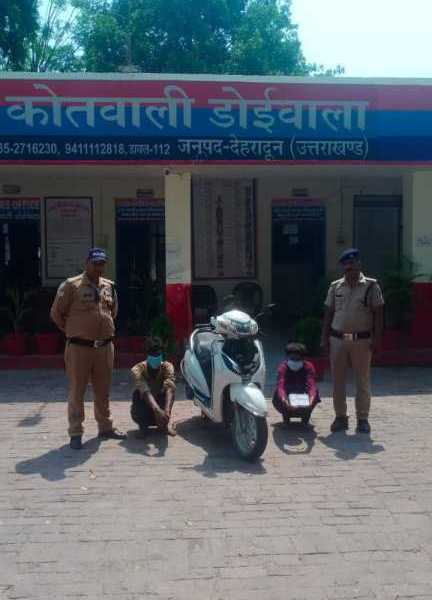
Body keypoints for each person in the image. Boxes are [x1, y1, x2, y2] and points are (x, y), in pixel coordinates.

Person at [50, 248, 126, 449]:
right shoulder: (71, 285)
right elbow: (56, 314)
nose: (98, 267)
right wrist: (73, 330)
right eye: (95, 263)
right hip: (79, 348)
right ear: (87, 263)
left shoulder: (109, 286)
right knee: (77, 390)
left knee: (103, 390)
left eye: (102, 263)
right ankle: (76, 432)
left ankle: (105, 427)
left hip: (104, 347)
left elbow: (113, 312)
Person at [321, 248, 384, 434]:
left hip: (362, 341)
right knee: (337, 380)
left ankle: (362, 419)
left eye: (352, 267)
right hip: (338, 339)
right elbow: (328, 313)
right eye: (346, 268)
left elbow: (379, 314)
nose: (349, 271)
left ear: (359, 265)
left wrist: (377, 339)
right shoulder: (335, 287)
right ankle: (340, 417)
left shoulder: (371, 286)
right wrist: (324, 338)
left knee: (362, 380)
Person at [130, 337, 177, 436]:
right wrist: (157, 410)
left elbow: (169, 387)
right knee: (137, 394)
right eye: (153, 355)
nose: (156, 357)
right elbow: (145, 391)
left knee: (171, 392)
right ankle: (143, 427)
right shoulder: (137, 369)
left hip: (160, 402)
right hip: (146, 405)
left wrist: (166, 411)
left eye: (158, 355)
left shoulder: (167, 367)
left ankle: (163, 426)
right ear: (147, 355)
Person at [272, 342, 320, 425]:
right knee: (277, 393)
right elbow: (281, 386)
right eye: (292, 357)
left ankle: (305, 417)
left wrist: (311, 400)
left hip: (304, 394)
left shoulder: (308, 366)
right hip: (288, 393)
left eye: (297, 358)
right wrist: (285, 400)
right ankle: (286, 418)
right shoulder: (283, 367)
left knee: (316, 392)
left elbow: (312, 385)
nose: (295, 360)